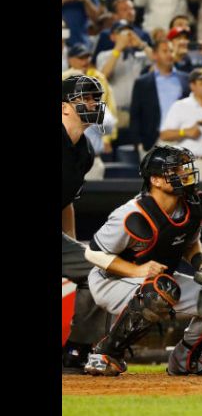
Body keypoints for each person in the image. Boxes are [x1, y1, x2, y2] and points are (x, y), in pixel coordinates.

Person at [83, 145, 202, 376]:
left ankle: (186, 360)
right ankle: (106, 354)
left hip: (159, 281)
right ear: (156, 180)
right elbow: (93, 253)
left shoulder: (193, 205)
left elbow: (190, 243)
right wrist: (137, 271)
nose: (185, 174)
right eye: (175, 170)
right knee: (160, 291)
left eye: (184, 168)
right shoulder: (132, 213)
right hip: (111, 280)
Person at [61, 76, 110, 373]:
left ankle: (78, 351)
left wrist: (73, 242)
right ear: (65, 107)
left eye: (94, 98)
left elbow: (66, 200)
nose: (93, 104)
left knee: (98, 269)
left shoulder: (85, 150)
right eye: (86, 99)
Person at [129, 40, 192, 156]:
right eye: (165, 51)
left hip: (181, 139)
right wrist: (137, 143)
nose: (169, 54)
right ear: (154, 55)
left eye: (171, 51)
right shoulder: (142, 82)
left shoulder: (186, 79)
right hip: (151, 142)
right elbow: (135, 114)